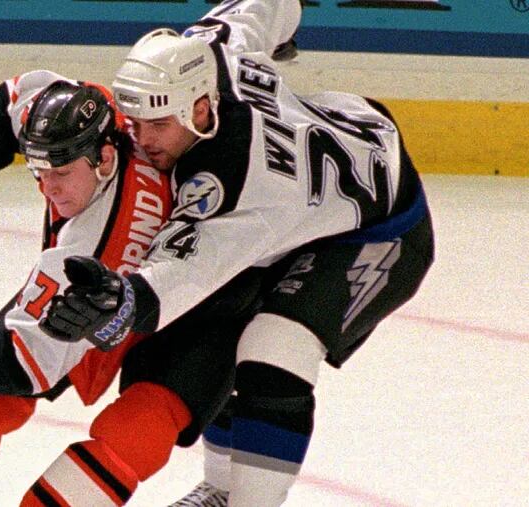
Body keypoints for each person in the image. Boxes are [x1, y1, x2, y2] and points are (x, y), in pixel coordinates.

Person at [39, 0, 436, 505]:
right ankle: (222, 488)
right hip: (331, 168)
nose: (141, 140)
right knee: (223, 322)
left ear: (200, 110)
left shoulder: (235, 191)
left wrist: (119, 301)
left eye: (158, 125)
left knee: (274, 346)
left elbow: (174, 281)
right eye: (134, 122)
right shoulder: (212, 53)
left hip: (381, 228)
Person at [0, 70, 261, 506]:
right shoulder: (90, 120)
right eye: (38, 171)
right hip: (126, 282)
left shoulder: (98, 243)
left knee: (137, 430)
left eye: (60, 172)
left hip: (209, 300)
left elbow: (25, 364)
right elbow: (14, 99)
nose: (48, 187)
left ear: (104, 159)